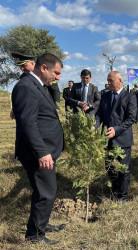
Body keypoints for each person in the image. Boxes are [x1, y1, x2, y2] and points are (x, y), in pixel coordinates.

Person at [11, 53, 66, 245]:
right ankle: (34, 236)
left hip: (47, 150)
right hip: (38, 153)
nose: (58, 77)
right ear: (43, 68)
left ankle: (42, 223)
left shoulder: (38, 86)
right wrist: (42, 152)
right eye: (56, 73)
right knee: (45, 193)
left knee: (44, 191)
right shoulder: (26, 87)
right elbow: (28, 124)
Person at [94, 71, 137, 202]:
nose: (108, 83)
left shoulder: (130, 97)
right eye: (107, 80)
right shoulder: (105, 95)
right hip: (107, 138)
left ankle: (122, 196)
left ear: (120, 80)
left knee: (123, 170)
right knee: (110, 167)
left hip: (122, 139)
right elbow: (99, 114)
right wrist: (94, 125)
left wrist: (116, 130)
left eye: (110, 80)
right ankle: (114, 190)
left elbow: (131, 119)